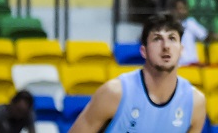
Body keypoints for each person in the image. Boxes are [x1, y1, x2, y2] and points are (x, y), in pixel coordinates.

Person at [67, 14, 205, 133]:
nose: (166, 46)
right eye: (157, 39)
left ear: (181, 50)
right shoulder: (114, 93)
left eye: (172, 38)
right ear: (144, 51)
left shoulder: (195, 102)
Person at [170, 0, 211, 67]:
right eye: (180, 9)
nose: (182, 11)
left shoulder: (190, 22)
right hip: (176, 65)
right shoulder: (169, 25)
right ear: (173, 10)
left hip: (192, 64)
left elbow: (205, 36)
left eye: (184, 9)